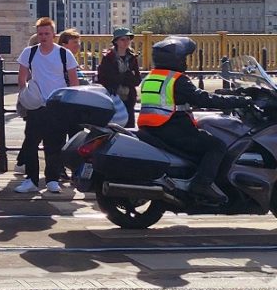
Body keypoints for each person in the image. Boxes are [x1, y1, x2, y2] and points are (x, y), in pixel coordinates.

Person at [138, 36, 250, 204]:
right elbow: (204, 100)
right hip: (174, 130)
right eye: (183, 58)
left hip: (152, 129)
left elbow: (185, 99)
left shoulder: (152, 77)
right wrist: (241, 101)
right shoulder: (176, 80)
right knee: (216, 145)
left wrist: (226, 95)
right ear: (174, 59)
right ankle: (202, 184)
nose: (185, 61)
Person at [14, 17, 79, 195]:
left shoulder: (64, 54)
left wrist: (70, 103)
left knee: (55, 145)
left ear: (54, 35)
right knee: (31, 143)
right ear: (37, 34)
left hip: (57, 105)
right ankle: (31, 180)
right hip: (36, 105)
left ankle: (52, 179)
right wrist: (26, 94)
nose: (43, 37)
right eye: (41, 34)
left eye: (47, 34)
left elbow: (74, 81)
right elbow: (21, 77)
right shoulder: (30, 52)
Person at [97, 27, 142, 128]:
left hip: (129, 98)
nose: (126, 42)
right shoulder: (108, 58)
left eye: (128, 39)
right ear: (116, 41)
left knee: (129, 129)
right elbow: (104, 79)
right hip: (113, 98)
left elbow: (137, 80)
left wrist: (124, 77)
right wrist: (126, 76)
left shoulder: (132, 57)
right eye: (123, 39)